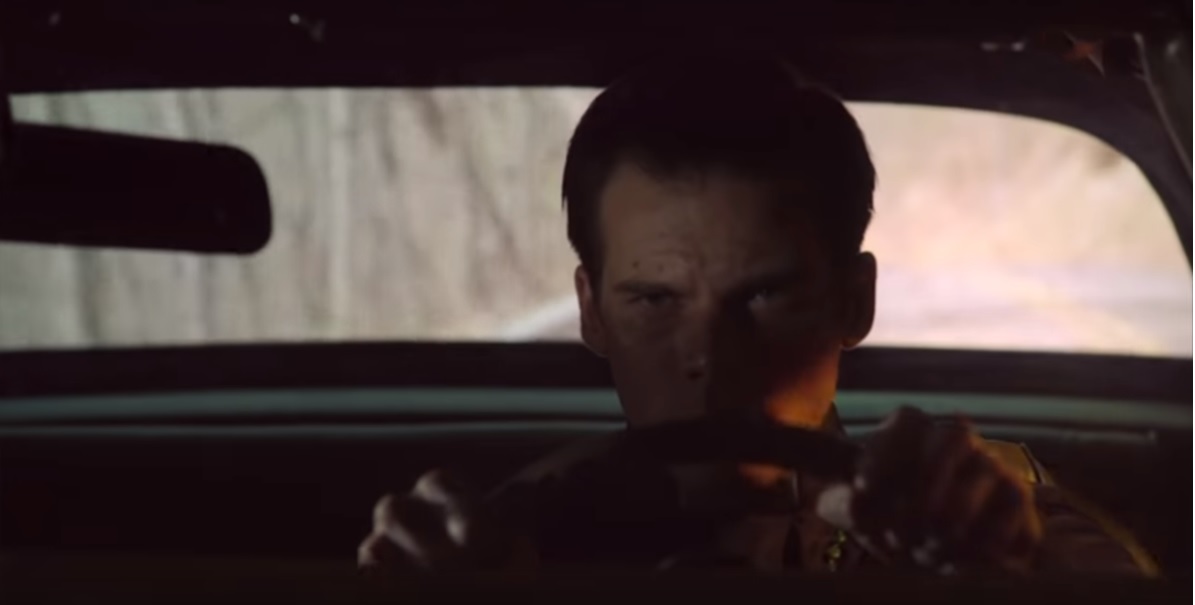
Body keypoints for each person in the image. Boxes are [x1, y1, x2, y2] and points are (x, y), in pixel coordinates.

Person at [357, 53, 1156, 575]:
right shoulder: (513, 539)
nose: (709, 353)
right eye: (655, 300)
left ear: (854, 301)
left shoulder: (961, 513)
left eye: (764, 296)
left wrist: (1008, 560)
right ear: (591, 311)